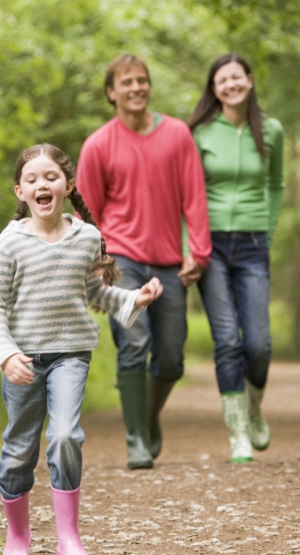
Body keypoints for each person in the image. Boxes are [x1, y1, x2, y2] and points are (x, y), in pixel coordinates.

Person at [0, 143, 163, 555]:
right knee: (19, 450)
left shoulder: (86, 237)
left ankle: (68, 538)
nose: (42, 184)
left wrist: (134, 299)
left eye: (50, 177)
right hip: (23, 359)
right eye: (32, 179)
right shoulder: (8, 244)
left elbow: (94, 292)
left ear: (66, 185)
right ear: (19, 191)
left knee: (64, 436)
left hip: (70, 353)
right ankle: (17, 536)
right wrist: (6, 355)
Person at [77, 54, 211, 470]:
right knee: (135, 344)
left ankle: (147, 419)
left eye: (142, 80)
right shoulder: (99, 144)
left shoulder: (177, 135)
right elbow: (87, 213)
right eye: (127, 82)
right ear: (111, 92)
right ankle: (136, 438)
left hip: (170, 262)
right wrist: (96, 267)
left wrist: (199, 252)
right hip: (122, 262)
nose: (136, 87)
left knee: (171, 355)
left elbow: (194, 196)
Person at [188, 53, 285, 463]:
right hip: (210, 245)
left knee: (258, 344)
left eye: (236, 77)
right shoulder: (201, 133)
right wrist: (190, 247)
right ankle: (238, 434)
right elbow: (188, 193)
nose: (230, 84)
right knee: (227, 340)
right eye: (221, 80)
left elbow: (276, 185)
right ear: (214, 89)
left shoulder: (273, 130)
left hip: (252, 244)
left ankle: (254, 407)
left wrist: (268, 228)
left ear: (249, 80)